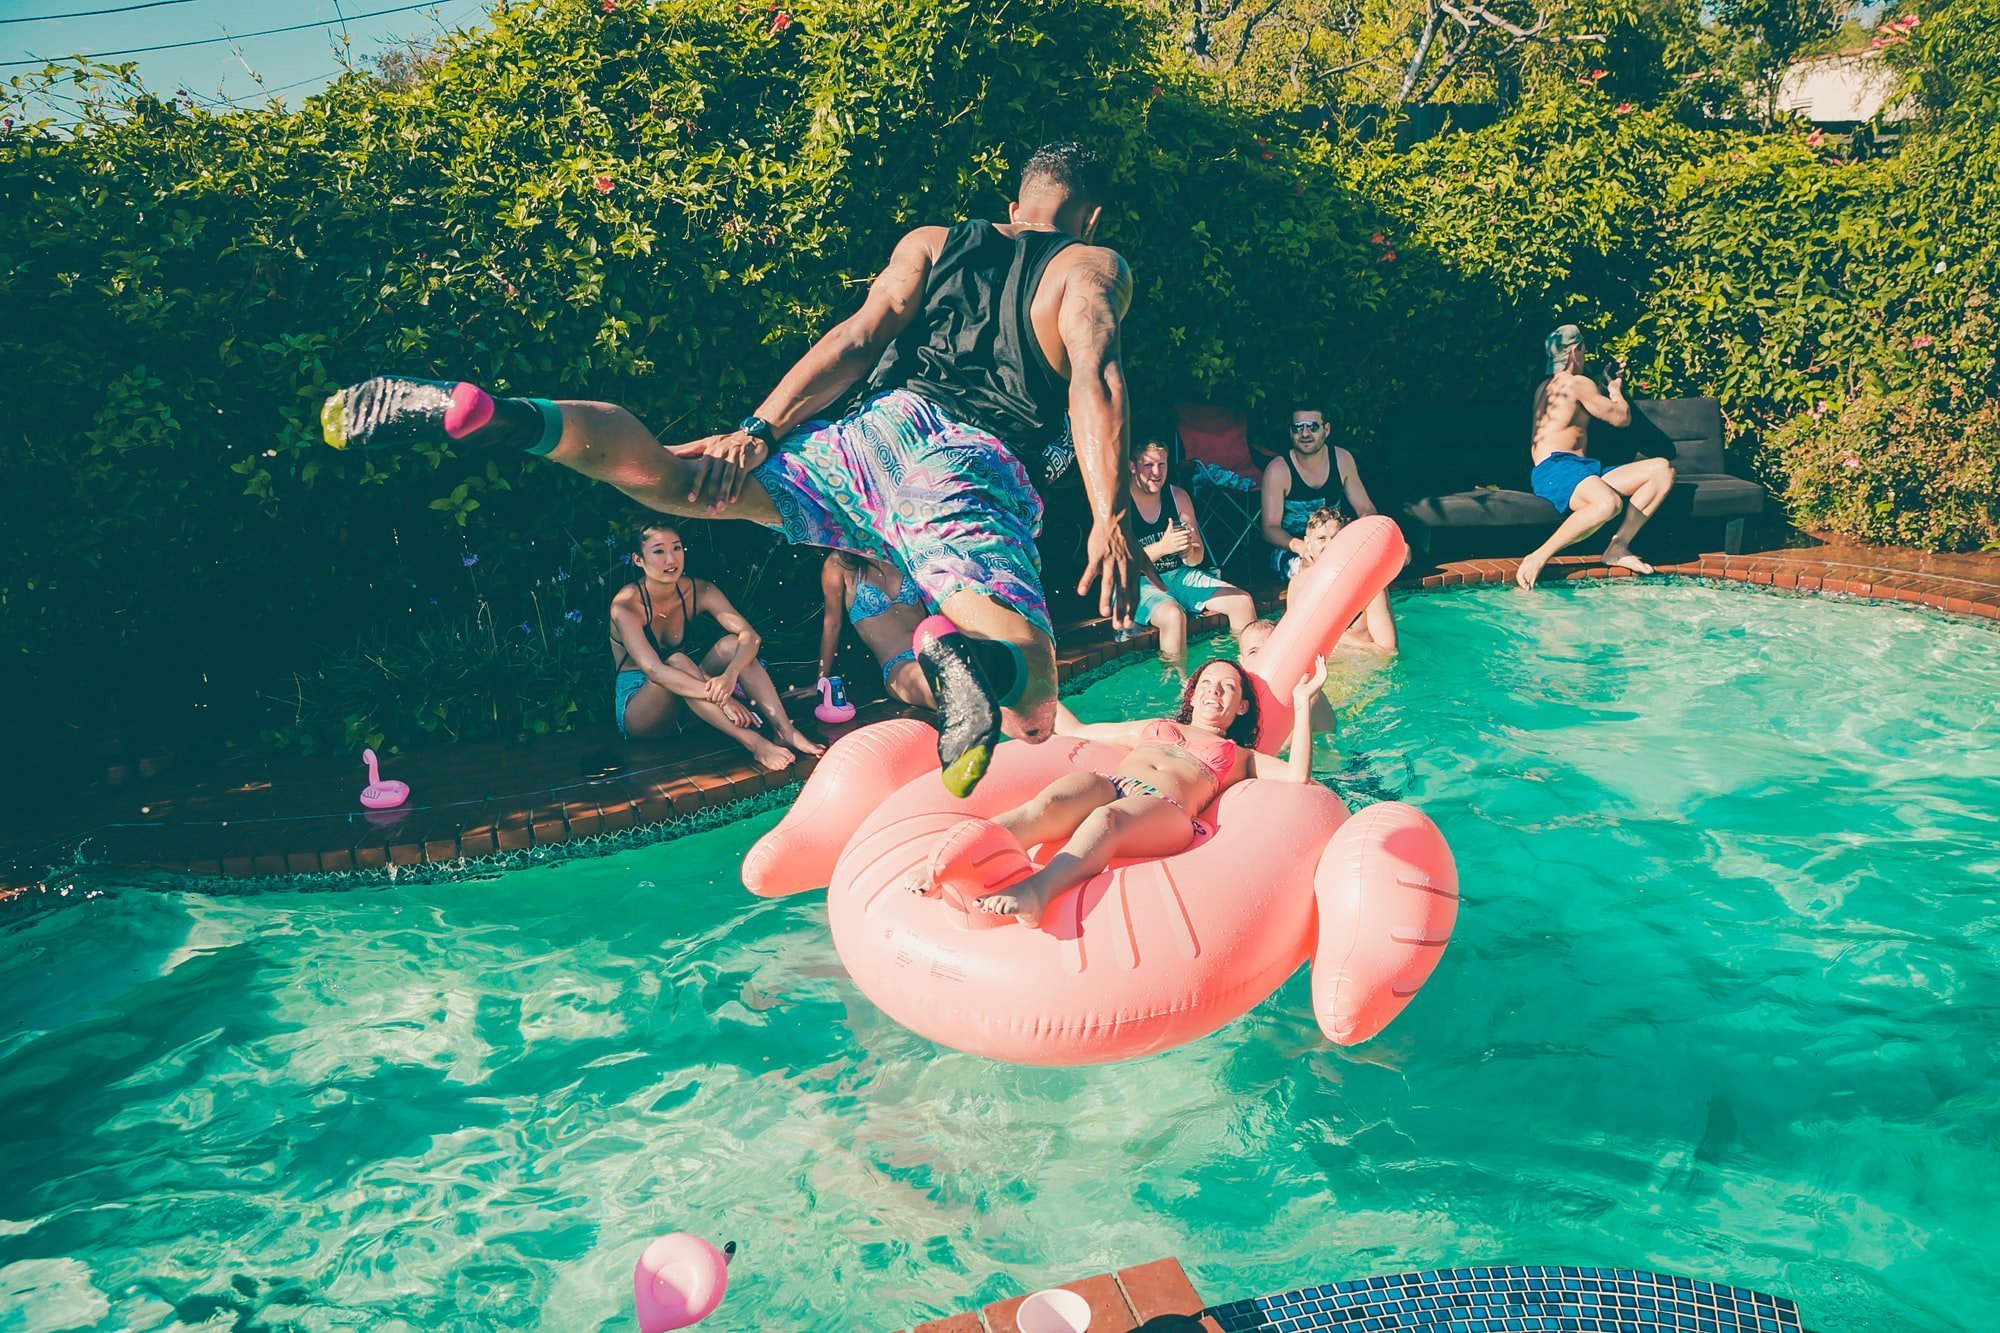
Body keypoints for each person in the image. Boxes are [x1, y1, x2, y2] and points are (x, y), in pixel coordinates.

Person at [320, 143, 1146, 797]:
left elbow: (858, 338)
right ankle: (951, 652)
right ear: (1094, 214)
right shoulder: (1090, 264)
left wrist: (758, 429)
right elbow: (1095, 374)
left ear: (1014, 202)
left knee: (672, 480)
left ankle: (505, 416)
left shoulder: (934, 241)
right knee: (1034, 699)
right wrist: (1109, 512)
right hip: (968, 461)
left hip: (865, 443)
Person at [917, 656, 1327, 927]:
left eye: (1228, 688)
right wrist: (1025, 681)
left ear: (1240, 708)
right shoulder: (1151, 726)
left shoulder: (1239, 755)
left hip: (1165, 810)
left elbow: (1297, 775)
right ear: (1193, 689)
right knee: (1050, 802)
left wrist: (1302, 703)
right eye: (1208, 682)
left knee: (1106, 819)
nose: (1214, 691)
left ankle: (1038, 891)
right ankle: (957, 857)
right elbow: (1074, 729)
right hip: (1114, 784)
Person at [610, 522, 824, 769]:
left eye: (677, 548)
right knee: (677, 661)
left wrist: (730, 677)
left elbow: (750, 636)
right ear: (638, 560)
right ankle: (754, 743)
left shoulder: (699, 590)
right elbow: (654, 671)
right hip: (642, 711)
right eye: (658, 551)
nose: (671, 559)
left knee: (733, 644)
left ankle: (785, 729)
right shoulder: (626, 606)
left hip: (694, 702)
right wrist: (722, 699)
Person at [1518, 324, 1676, 589]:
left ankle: (1618, 547)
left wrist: (1601, 388)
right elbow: (1622, 418)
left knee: (1662, 469)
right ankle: (1538, 556)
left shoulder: (1545, 387)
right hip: (1556, 469)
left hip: (1581, 469)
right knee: (1608, 504)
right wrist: (1615, 389)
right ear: (1574, 352)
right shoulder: (1578, 383)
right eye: (1583, 349)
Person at [1128, 433, 1257, 664]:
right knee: (1173, 616)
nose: (1156, 473)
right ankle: (1177, 688)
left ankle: (1247, 671)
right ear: (1132, 466)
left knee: (1242, 602)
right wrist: (1163, 547)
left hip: (1179, 575)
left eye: (1161, 465)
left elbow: (1197, 558)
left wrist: (1189, 551)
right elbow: (1120, 567)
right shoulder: (1120, 504)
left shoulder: (1177, 497)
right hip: (1138, 582)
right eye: (1148, 465)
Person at [1260, 404, 1379, 580]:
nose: (1305, 434)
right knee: (1313, 570)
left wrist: (1361, 540)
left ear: (1326, 429)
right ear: (1291, 432)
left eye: (1313, 427)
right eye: (1298, 428)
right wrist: (1302, 547)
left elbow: (1365, 509)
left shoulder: (1342, 459)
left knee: (1401, 553)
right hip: (1292, 548)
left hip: (1334, 541)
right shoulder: (1278, 470)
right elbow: (1270, 529)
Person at [817, 551, 937, 709]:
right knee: (947, 691)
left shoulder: (898, 548)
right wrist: (820, 681)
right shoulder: (838, 563)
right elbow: (832, 625)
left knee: (966, 681)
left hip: (936, 649)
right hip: (900, 665)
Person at [1296, 508, 1396, 652]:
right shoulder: (1298, 586)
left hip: (1364, 669)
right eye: (1321, 539)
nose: (1330, 545)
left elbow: (1389, 652)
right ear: (1308, 544)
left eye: (1337, 538)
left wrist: (1331, 637)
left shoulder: (1372, 588)